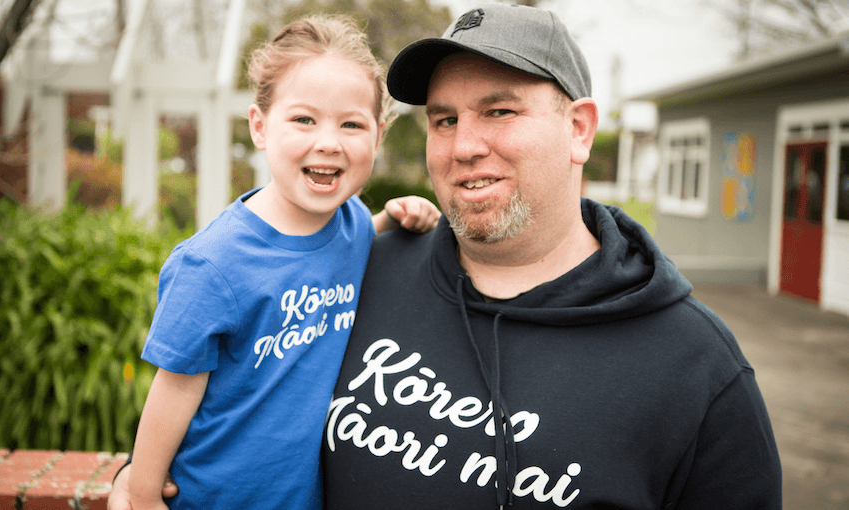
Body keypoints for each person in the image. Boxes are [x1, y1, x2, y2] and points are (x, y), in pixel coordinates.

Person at [110, 4, 782, 509]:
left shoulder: (698, 376)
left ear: (578, 130)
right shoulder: (366, 261)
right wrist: (132, 482)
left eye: (499, 112)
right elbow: (226, 378)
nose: (464, 146)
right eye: (444, 119)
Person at [124, 14, 439, 510]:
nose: (329, 142)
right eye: (304, 119)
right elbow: (174, 389)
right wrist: (141, 491)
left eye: (352, 124)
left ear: (377, 137)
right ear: (259, 127)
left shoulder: (353, 221)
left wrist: (395, 217)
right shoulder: (213, 264)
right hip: (216, 497)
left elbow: (347, 242)